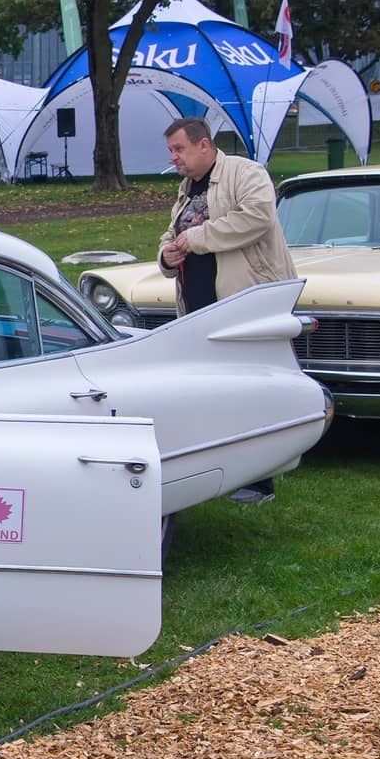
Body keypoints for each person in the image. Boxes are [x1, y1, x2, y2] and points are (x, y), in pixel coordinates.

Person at [157, 117, 297, 504]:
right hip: (201, 311)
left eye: (179, 149)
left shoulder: (246, 173)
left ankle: (261, 478)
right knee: (216, 393)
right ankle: (220, 468)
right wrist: (166, 255)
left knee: (256, 392)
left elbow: (257, 217)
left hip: (247, 305)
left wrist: (197, 238)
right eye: (171, 151)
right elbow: (173, 235)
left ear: (204, 146)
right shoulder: (187, 189)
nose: (174, 158)